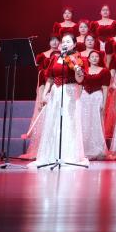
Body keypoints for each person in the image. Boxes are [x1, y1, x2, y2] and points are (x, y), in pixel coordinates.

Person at [28, 34, 88, 169]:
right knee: (53, 121)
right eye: (64, 41)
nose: (65, 43)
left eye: (68, 41)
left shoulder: (78, 58)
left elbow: (80, 80)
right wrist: (45, 94)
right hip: (55, 92)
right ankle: (51, 155)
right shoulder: (55, 58)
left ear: (74, 44)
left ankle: (68, 155)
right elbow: (50, 77)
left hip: (70, 92)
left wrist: (77, 69)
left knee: (68, 122)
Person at [79, 50, 110, 160]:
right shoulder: (84, 70)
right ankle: (84, 150)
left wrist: (104, 103)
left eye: (97, 56)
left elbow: (105, 88)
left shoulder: (104, 71)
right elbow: (80, 85)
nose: (95, 58)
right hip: (84, 97)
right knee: (84, 122)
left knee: (96, 122)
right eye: (92, 57)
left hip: (97, 96)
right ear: (88, 59)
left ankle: (97, 150)